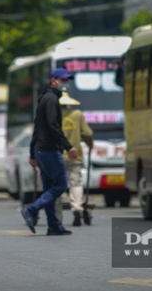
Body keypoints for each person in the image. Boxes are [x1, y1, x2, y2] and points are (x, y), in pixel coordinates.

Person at [21, 68, 77, 236]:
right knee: (60, 185)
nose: (66, 83)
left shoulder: (44, 99)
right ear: (53, 80)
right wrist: (68, 146)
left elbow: (37, 127)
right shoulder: (51, 99)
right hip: (50, 149)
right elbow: (53, 126)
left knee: (49, 188)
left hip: (40, 149)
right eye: (63, 80)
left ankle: (53, 225)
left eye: (67, 80)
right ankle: (32, 209)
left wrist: (32, 153)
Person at [54, 92, 94, 227]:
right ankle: (77, 209)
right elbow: (88, 133)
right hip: (74, 154)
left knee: (57, 185)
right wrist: (89, 144)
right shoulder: (77, 114)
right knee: (75, 183)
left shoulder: (53, 115)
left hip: (57, 155)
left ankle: (57, 217)